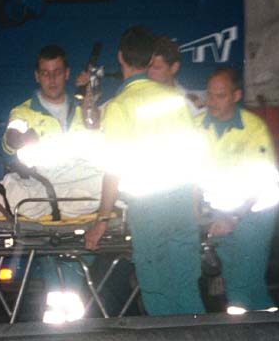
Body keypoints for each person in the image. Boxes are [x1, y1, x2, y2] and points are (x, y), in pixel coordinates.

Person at [83, 26, 207, 316]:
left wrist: (102, 220)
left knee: (157, 291)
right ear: (151, 57)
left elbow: (113, 169)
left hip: (149, 210)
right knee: (187, 287)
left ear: (120, 57)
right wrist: (194, 204)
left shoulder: (120, 107)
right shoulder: (175, 100)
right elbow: (194, 155)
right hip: (181, 205)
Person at [2, 45, 88, 322]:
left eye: (57, 72)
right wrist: (19, 139)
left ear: (67, 74)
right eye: (45, 73)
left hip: (81, 203)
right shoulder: (23, 113)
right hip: (45, 206)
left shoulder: (83, 110)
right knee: (59, 278)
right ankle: (62, 337)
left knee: (79, 274)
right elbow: (10, 141)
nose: (51, 79)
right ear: (37, 76)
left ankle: (71, 336)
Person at [195, 67, 279, 314]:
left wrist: (233, 217)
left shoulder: (254, 129)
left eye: (220, 95)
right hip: (217, 216)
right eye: (210, 95)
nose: (212, 101)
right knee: (249, 286)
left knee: (240, 289)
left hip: (253, 215)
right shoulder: (196, 126)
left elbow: (261, 182)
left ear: (236, 95)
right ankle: (276, 337)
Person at [147, 36, 205, 116]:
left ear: (174, 68)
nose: (149, 72)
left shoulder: (190, 105)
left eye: (156, 68)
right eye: (147, 67)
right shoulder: (135, 99)